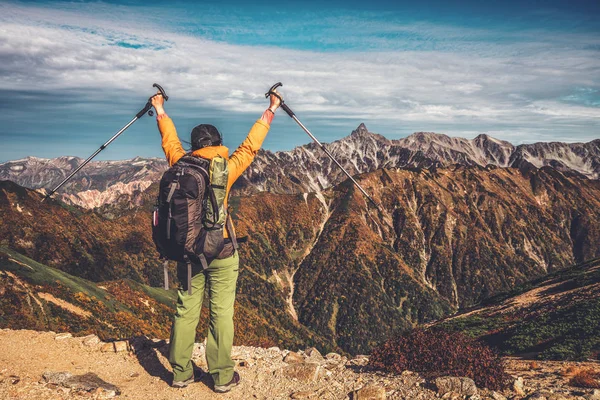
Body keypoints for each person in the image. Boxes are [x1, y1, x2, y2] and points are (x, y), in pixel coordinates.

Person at [150, 89, 282, 393]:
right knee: (221, 313)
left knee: (186, 310)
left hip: (187, 252)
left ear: (194, 146)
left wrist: (159, 109)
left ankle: (181, 373)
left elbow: (168, 141)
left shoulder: (180, 164)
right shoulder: (226, 168)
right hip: (221, 251)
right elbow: (250, 147)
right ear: (219, 144)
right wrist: (270, 109)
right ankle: (222, 377)